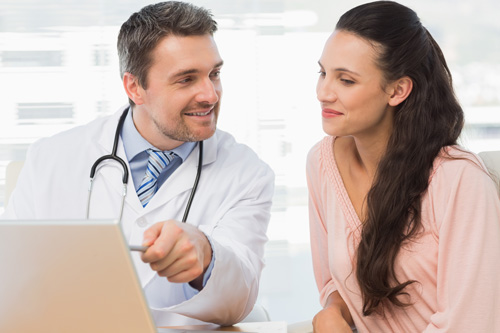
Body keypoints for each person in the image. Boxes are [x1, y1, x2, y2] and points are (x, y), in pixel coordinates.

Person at [2, 1, 274, 326]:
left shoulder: (248, 172)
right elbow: (11, 276)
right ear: (135, 88)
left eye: (213, 74)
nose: (210, 95)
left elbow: (240, 297)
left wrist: (207, 256)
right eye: (187, 79)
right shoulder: (50, 158)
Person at [306, 1, 500, 332]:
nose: (324, 92)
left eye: (346, 80)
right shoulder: (321, 164)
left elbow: (472, 322)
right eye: (323, 73)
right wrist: (332, 312)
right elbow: (335, 284)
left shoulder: (458, 180)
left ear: (398, 90)